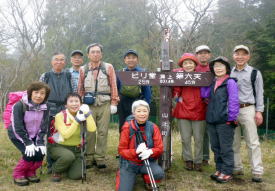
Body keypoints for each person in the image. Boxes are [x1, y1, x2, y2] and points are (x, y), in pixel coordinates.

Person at [78, 43, 119, 168]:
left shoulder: (108, 67)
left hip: (104, 103)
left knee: (103, 131)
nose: (95, 54)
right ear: (88, 54)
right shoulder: (83, 69)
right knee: (89, 131)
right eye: (92, 52)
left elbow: (113, 85)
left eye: (97, 52)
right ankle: (89, 157)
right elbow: (80, 88)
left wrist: (114, 102)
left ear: (101, 54)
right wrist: (79, 104)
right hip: (88, 104)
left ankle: (100, 157)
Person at [201, 56, 239, 183]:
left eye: (221, 66)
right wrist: (206, 82)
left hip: (225, 121)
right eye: (216, 66)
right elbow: (204, 95)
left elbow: (234, 101)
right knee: (216, 147)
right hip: (212, 119)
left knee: (225, 148)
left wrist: (232, 118)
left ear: (227, 68)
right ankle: (219, 169)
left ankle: (227, 172)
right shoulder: (213, 82)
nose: (218, 68)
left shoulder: (230, 82)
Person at [231, 45, 264, 182]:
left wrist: (259, 111)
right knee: (234, 141)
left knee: (253, 141)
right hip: (232, 109)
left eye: (243, 54)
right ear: (233, 56)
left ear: (248, 57)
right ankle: (236, 167)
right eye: (237, 54)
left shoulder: (255, 73)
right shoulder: (229, 72)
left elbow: (260, 93)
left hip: (248, 108)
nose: (240, 57)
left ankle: (257, 170)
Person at [8, 82, 51, 186]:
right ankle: (18, 174)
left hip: (35, 135)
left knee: (40, 153)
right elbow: (17, 127)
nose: (39, 96)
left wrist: (40, 142)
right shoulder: (19, 105)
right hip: (18, 134)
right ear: (30, 93)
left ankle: (31, 172)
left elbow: (44, 126)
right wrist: (27, 142)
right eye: (36, 92)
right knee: (29, 154)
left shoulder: (46, 107)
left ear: (45, 96)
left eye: (42, 93)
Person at [116, 100, 164, 191]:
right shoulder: (127, 127)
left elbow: (160, 147)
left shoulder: (153, 127)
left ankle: (147, 179)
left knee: (158, 173)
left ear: (148, 113)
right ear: (133, 113)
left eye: (145, 111)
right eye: (139, 111)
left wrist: (150, 151)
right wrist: (135, 152)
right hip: (130, 163)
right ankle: (123, 173)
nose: (142, 114)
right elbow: (121, 150)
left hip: (147, 162)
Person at [48, 93, 96, 181]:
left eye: (77, 101)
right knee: (68, 157)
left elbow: (92, 129)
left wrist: (88, 114)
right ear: (66, 105)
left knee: (76, 175)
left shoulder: (83, 114)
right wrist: (77, 121)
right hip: (58, 146)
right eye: (71, 101)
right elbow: (65, 135)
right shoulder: (60, 116)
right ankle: (55, 169)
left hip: (76, 148)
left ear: (81, 104)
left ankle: (66, 166)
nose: (74, 104)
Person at [172, 53, 206, 172]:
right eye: (185, 63)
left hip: (199, 111)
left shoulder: (201, 76)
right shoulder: (178, 76)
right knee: (185, 138)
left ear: (195, 64)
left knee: (198, 138)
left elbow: (206, 92)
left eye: (190, 63)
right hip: (183, 110)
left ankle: (198, 161)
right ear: (182, 65)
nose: (188, 65)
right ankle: (188, 160)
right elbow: (174, 93)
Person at [40, 52, 73, 173]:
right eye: (56, 60)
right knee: (50, 136)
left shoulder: (69, 75)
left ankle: (63, 162)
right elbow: (40, 92)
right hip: (49, 108)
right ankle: (50, 164)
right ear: (52, 62)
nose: (59, 62)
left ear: (65, 62)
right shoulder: (46, 76)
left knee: (64, 135)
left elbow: (73, 92)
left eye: (62, 60)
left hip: (65, 109)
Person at [117, 49, 152, 131]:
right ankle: (123, 142)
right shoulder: (120, 72)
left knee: (138, 124)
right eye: (128, 58)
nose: (131, 60)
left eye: (133, 58)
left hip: (138, 102)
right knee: (123, 125)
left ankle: (138, 143)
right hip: (123, 103)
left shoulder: (142, 72)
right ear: (125, 60)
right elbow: (117, 88)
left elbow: (147, 90)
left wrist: (147, 105)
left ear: (137, 60)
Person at [195, 45, 212, 166]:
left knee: (206, 133)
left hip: (210, 106)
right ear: (196, 55)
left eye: (205, 53)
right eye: (200, 53)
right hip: (194, 105)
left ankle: (205, 157)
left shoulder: (214, 69)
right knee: (194, 133)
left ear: (209, 55)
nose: (203, 55)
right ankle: (191, 157)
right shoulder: (193, 68)